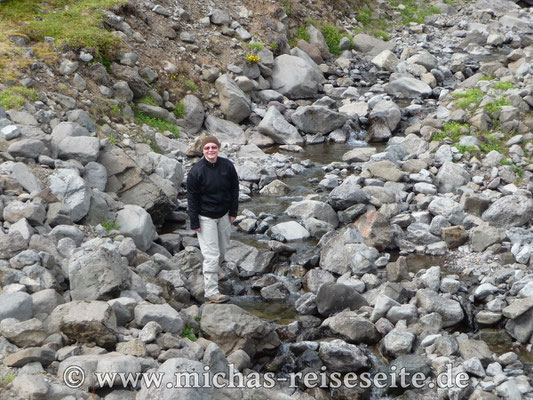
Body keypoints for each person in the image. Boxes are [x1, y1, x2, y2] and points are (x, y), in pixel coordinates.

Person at [186, 136, 239, 304]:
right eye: (207, 148)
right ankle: (211, 292)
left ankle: (217, 269)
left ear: (218, 148)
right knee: (211, 255)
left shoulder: (227, 166)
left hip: (223, 214)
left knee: (223, 250)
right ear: (202, 150)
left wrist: (233, 211)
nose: (210, 150)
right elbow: (192, 199)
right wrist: (194, 222)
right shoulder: (196, 171)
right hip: (205, 217)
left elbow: (234, 189)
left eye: (213, 147)